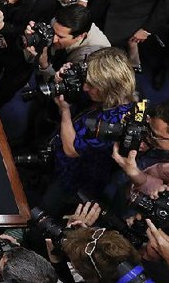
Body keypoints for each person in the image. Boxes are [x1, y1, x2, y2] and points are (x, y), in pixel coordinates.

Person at [44, 48, 137, 215]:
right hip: (60, 162)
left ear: (110, 88)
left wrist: (65, 112)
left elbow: (72, 150)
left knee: (48, 205)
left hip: (75, 177)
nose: (85, 88)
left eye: (92, 85)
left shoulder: (115, 122)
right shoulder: (106, 98)